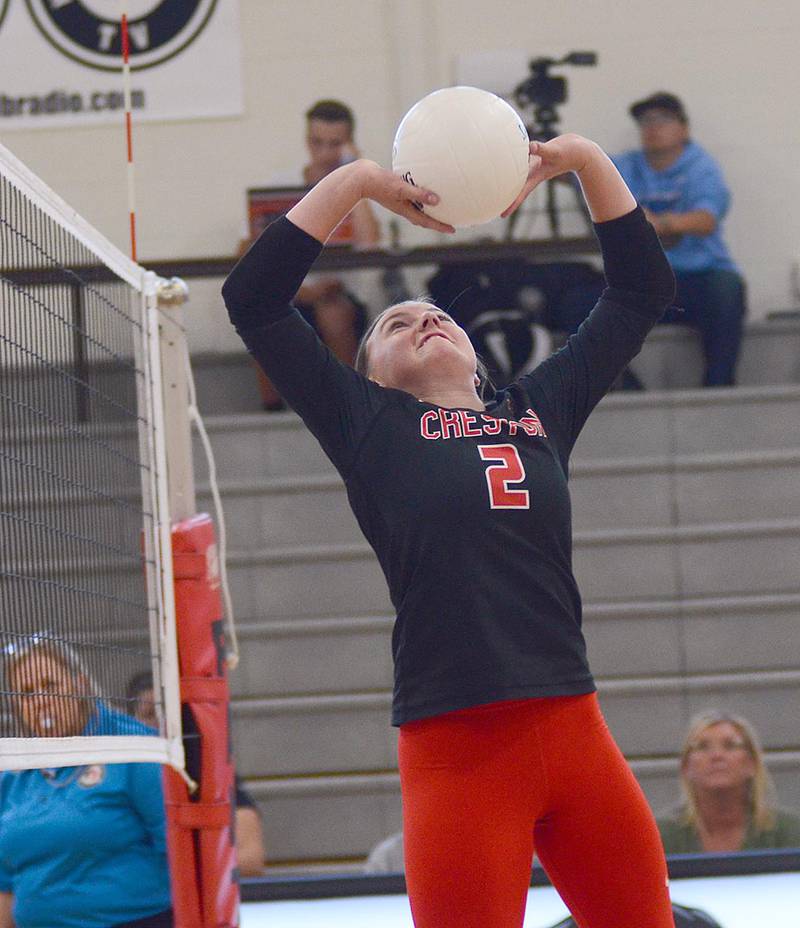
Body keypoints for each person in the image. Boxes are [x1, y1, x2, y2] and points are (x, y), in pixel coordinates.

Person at [222, 132, 677, 928]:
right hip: (457, 749)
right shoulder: (367, 424)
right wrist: (359, 181)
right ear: (370, 375)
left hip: (576, 730)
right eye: (397, 324)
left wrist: (583, 160)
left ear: (476, 358)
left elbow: (640, 290)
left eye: (436, 315)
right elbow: (253, 299)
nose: (424, 321)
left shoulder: (539, 410)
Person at [0, 636, 172, 928]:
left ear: (79, 685)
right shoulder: (13, 771)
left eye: (50, 686)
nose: (40, 700)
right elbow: (4, 884)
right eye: (27, 693)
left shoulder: (134, 748)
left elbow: (176, 849)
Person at [240, 99, 381, 410]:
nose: (325, 153)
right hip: (289, 293)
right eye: (317, 143)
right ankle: (273, 405)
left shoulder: (358, 187)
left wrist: (355, 173)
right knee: (257, 310)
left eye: (335, 144)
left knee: (333, 311)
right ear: (307, 142)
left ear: (349, 145)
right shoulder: (279, 186)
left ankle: (348, 403)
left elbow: (370, 243)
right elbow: (250, 247)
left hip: (339, 294)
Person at [612, 92, 745, 386]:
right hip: (645, 284)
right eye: (646, 121)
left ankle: (719, 387)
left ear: (684, 129)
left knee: (728, 290)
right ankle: (626, 388)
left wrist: (659, 223)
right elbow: (578, 171)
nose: (653, 127)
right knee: (580, 302)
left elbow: (706, 219)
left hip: (698, 277)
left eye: (663, 119)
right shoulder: (626, 165)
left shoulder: (700, 166)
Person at [125, 671, 267, 877]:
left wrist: (194, 878)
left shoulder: (208, 770)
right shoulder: (119, 775)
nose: (161, 723)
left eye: (168, 713)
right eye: (149, 715)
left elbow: (252, 859)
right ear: (130, 720)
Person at [657, 710, 800, 853]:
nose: (716, 756)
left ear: (752, 763)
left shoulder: (790, 832)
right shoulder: (659, 836)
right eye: (702, 746)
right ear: (686, 766)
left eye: (730, 745)